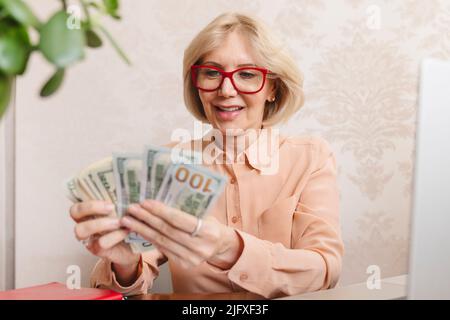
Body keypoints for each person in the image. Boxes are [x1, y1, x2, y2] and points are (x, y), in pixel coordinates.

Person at [69, 12, 344, 299]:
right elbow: (125, 285)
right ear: (196, 84)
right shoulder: (170, 162)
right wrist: (126, 265)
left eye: (247, 74)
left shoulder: (311, 157)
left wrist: (229, 247)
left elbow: (325, 270)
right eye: (212, 73)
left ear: (272, 88)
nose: (226, 90)